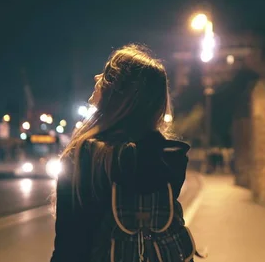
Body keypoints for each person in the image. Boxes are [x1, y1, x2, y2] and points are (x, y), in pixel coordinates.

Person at [51, 44, 202, 262]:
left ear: (120, 94)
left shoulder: (85, 157)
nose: (97, 78)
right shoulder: (170, 159)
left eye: (107, 75)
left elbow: (70, 247)